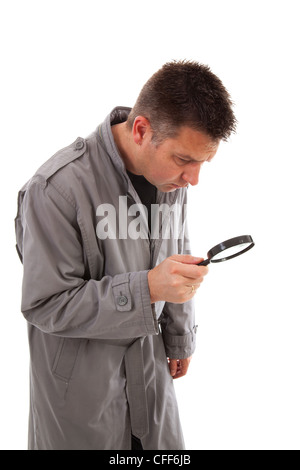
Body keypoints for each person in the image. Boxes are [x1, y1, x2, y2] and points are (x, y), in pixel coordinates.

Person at [15, 60, 236, 450]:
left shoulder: (171, 178)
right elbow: (45, 304)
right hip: (81, 398)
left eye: (204, 163)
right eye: (185, 160)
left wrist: (179, 334)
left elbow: (177, 249)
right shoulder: (55, 189)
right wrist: (147, 288)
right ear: (140, 130)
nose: (194, 179)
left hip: (151, 382)